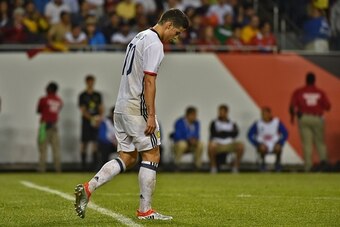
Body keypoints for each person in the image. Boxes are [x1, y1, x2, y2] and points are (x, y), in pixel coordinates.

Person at [74, 9, 189, 220]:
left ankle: (88, 187)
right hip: (138, 107)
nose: (176, 37)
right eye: (177, 32)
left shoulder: (139, 36)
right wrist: (151, 115)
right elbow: (149, 80)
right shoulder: (155, 43)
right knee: (152, 154)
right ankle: (145, 210)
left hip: (121, 106)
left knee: (128, 157)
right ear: (169, 25)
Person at [289, 72, 331, 172]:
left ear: (306, 80)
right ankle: (324, 163)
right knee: (320, 142)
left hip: (304, 118)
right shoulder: (320, 92)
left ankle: (308, 167)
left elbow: (292, 106)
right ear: (314, 80)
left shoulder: (299, 91)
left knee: (307, 143)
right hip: (317, 118)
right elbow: (328, 106)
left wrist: (292, 117)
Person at [248, 107, 288, 172]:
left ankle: (277, 163)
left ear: (270, 114)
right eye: (262, 114)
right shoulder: (258, 123)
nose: (264, 115)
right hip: (262, 143)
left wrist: (280, 142)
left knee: (278, 148)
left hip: (274, 143)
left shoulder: (276, 122)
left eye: (265, 114)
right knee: (262, 148)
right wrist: (256, 144)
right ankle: (263, 163)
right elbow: (249, 135)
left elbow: (285, 133)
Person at [78, 74, 104, 171]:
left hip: (96, 122)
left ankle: (94, 166)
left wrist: (99, 118)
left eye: (92, 81)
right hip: (86, 122)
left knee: (95, 143)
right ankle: (83, 166)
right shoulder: (82, 95)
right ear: (86, 82)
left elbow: (101, 108)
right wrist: (91, 119)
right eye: (89, 81)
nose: (90, 83)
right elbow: (83, 110)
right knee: (84, 143)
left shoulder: (97, 95)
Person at [208, 104, 244, 174]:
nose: (221, 113)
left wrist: (223, 133)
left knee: (241, 146)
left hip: (229, 143)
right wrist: (227, 133)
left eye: (222, 112)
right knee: (211, 146)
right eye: (220, 112)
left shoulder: (232, 123)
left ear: (226, 112)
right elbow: (213, 133)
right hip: (218, 143)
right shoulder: (214, 122)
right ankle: (213, 167)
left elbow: (235, 134)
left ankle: (235, 167)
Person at [36, 82, 63, 172]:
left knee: (43, 149)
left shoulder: (44, 99)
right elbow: (58, 109)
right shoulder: (59, 100)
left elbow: (38, 110)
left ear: (49, 89)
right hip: (54, 126)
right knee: (56, 149)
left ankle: (42, 169)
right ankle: (58, 169)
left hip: (44, 126)